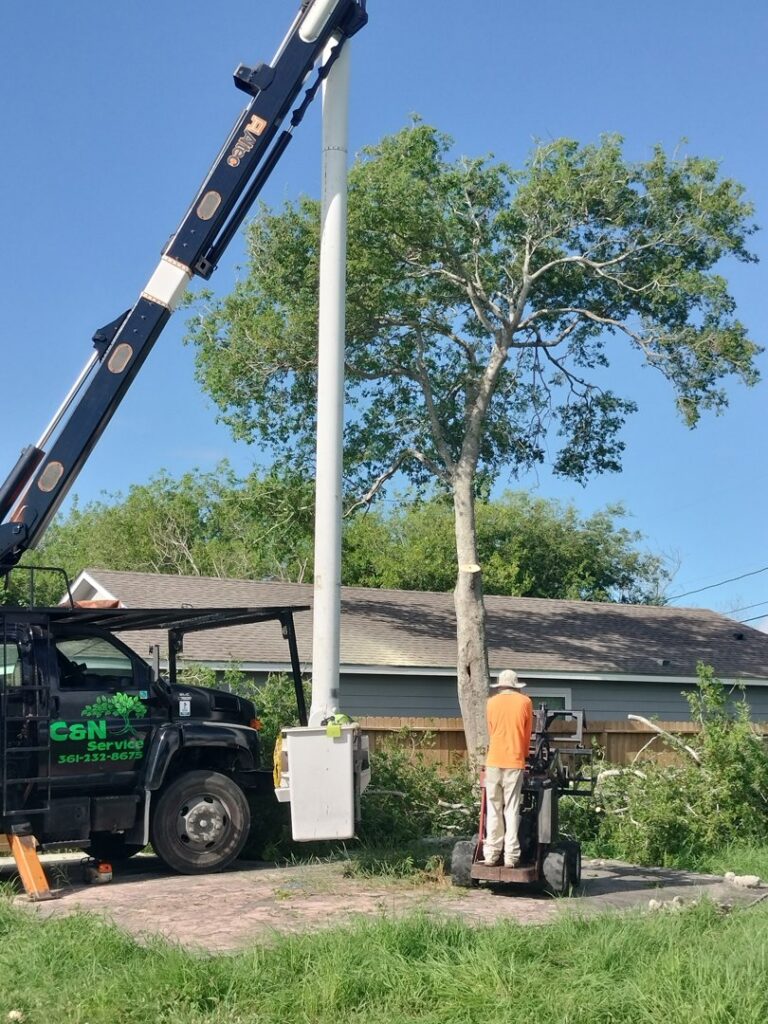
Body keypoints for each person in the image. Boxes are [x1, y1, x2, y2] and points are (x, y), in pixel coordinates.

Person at [483, 669, 533, 867]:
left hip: (494, 760)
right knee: (511, 809)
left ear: (500, 685)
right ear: (516, 685)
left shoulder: (491, 702)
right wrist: (525, 755)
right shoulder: (525, 702)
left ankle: (491, 854)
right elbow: (527, 734)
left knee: (493, 808)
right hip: (514, 760)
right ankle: (511, 857)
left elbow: (491, 730)